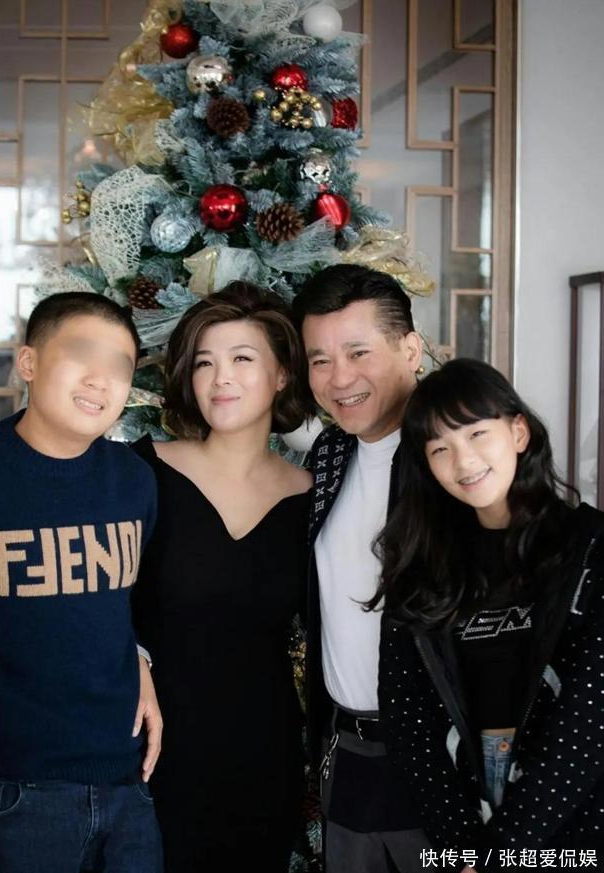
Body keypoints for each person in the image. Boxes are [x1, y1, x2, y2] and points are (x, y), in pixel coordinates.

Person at [0, 292, 163, 873]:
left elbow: (124, 603)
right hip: (13, 792)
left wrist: (140, 658)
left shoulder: (133, 480)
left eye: (119, 366)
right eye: (81, 354)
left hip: (129, 788)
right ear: (29, 363)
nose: (100, 379)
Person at [374, 358, 604, 869]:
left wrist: (503, 853)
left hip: (574, 826)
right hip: (464, 830)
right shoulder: (421, 569)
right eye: (440, 448)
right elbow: (409, 721)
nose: (464, 461)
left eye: (477, 434)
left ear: (518, 432)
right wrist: (462, 850)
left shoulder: (592, 549)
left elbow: (588, 726)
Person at [130, 281, 313, 873]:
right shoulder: (142, 473)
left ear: (282, 375)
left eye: (242, 359)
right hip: (148, 750)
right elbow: (86, 602)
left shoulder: (313, 496)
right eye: (204, 362)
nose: (220, 378)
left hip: (262, 758)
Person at [291, 264, 431, 873]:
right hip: (347, 754)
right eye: (320, 360)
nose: (339, 378)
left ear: (410, 349)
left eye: (358, 352)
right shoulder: (331, 452)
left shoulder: (454, 457)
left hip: (439, 761)